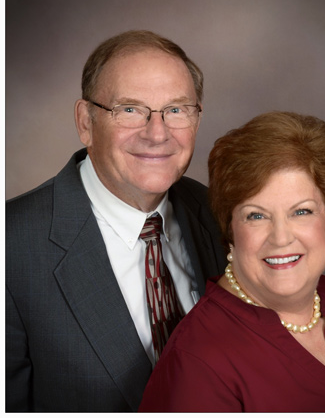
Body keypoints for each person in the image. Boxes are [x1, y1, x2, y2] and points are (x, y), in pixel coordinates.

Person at [6, 30, 226, 412]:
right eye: (130, 110)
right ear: (86, 122)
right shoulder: (12, 247)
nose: (157, 133)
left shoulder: (221, 214)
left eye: (176, 110)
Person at [139, 111, 325, 412]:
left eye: (302, 211)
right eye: (256, 216)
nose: (281, 238)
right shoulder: (196, 364)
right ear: (230, 231)